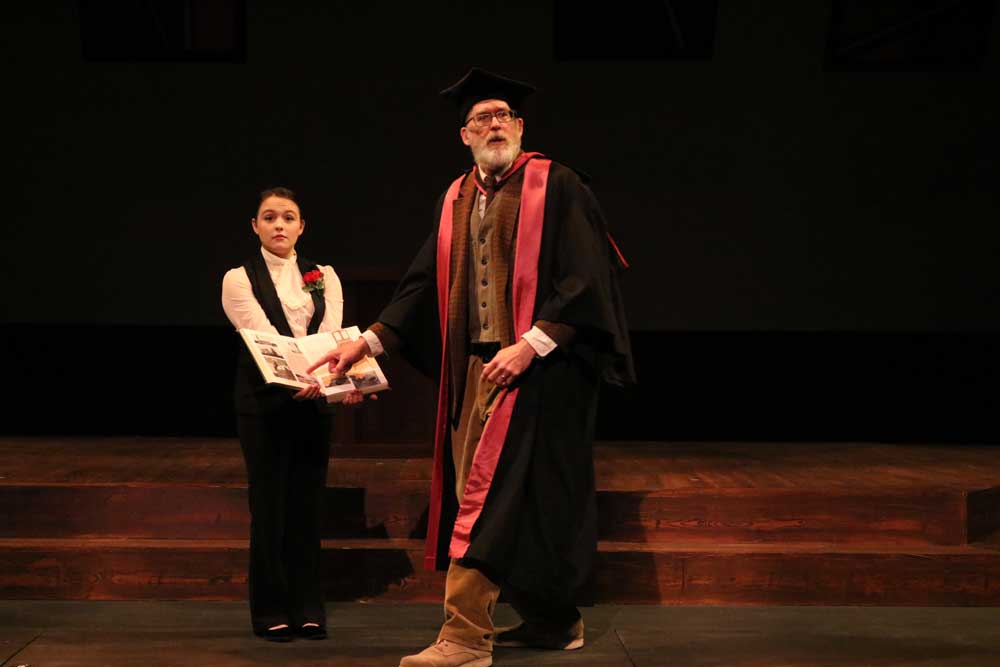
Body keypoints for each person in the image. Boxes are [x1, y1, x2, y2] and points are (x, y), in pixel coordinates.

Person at [308, 68, 634, 667]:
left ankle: (464, 636)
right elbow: (419, 286)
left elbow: (587, 281)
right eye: (481, 118)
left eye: (503, 115)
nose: (493, 124)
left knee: (487, 498)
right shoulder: (455, 199)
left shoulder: (556, 186)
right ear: (464, 135)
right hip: (475, 372)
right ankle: (555, 622)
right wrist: (368, 342)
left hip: (540, 370)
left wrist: (531, 344)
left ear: (520, 126)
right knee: (503, 498)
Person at [221, 186, 358, 642]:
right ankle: (270, 608)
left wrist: (324, 382)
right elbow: (264, 338)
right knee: (269, 504)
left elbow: (332, 333)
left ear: (302, 226)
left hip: (314, 401)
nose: (279, 225)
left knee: (307, 504)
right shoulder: (238, 278)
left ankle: (307, 604)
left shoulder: (325, 275)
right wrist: (306, 376)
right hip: (264, 405)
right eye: (269, 217)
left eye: (288, 217)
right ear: (255, 226)